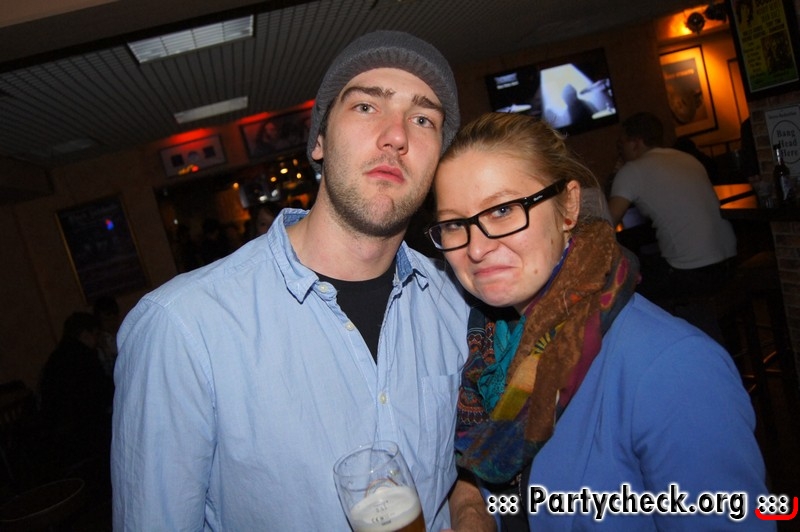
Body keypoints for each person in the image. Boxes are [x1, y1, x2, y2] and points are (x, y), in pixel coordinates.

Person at [112, 30, 470, 530]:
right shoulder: (183, 329)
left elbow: (481, 466)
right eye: (366, 106)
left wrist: (474, 511)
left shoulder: (459, 304)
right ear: (319, 141)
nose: (396, 135)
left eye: (423, 119)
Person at [429, 112, 771, 530]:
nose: (476, 248)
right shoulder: (488, 347)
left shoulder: (675, 368)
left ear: (569, 206)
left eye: (502, 210)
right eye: (454, 224)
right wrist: (470, 503)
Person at [607, 112, 737, 309]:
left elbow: (606, 224)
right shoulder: (687, 158)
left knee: (624, 284)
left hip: (693, 273)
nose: (620, 151)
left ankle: (677, 324)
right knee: (649, 263)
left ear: (635, 143)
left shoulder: (631, 170)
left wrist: (614, 176)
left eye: (621, 145)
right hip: (730, 262)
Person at [39, 312, 114, 467]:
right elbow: (103, 393)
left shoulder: (57, 356)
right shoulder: (84, 357)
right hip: (81, 432)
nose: (98, 341)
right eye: (96, 335)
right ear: (85, 335)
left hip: (59, 433)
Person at [92, 295, 120, 377]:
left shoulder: (122, 334)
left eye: (115, 318)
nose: (112, 323)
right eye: (107, 320)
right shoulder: (97, 341)